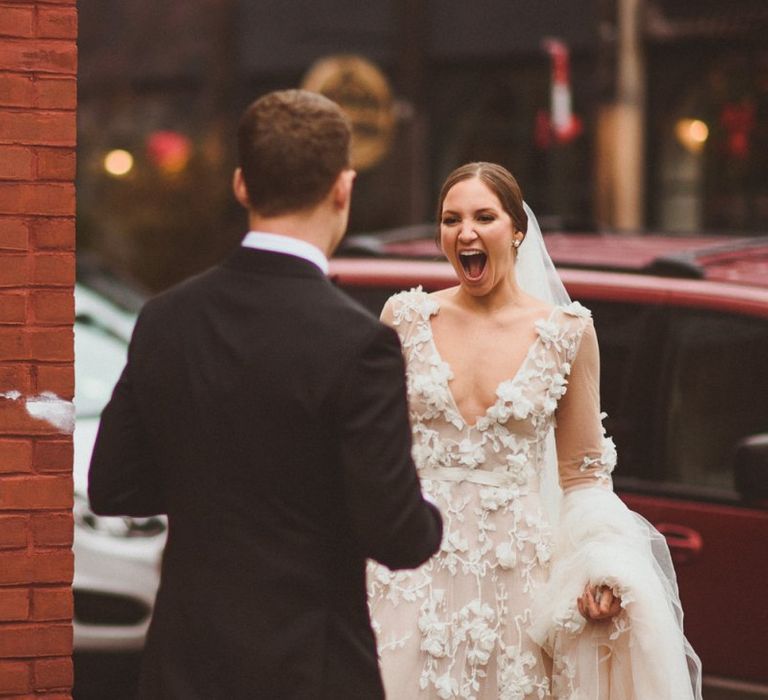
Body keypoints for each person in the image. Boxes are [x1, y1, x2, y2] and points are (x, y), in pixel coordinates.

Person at [88, 89, 443, 700]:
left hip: (184, 666)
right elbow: (397, 535)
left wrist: (210, 489)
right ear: (342, 188)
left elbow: (113, 485)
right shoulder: (358, 345)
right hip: (308, 669)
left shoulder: (166, 319)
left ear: (241, 186)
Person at [367, 162, 702, 699]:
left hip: (515, 576)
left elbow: (584, 472)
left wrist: (600, 564)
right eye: (450, 219)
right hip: (410, 569)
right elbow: (374, 453)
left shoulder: (566, 333)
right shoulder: (404, 319)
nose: (465, 232)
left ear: (516, 230)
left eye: (483, 216)